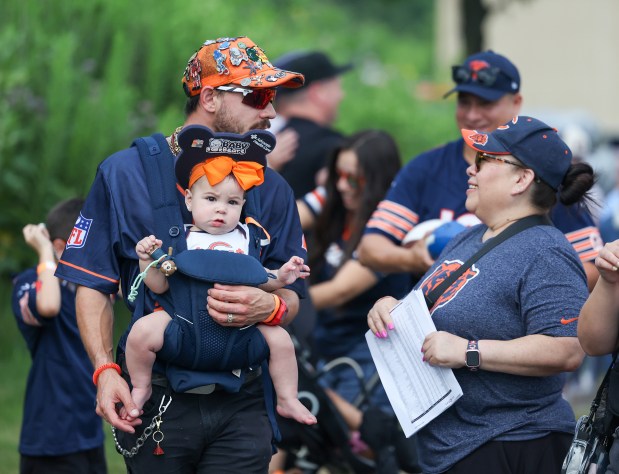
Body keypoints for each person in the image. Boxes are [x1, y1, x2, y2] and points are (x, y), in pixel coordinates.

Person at [55, 36, 309, 473]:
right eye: (258, 96)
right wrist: (105, 371)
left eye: (274, 97)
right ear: (209, 97)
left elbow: (293, 299)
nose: (271, 112)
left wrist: (270, 306)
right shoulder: (124, 173)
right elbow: (93, 283)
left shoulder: (272, 186)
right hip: (158, 395)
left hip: (244, 397)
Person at [367, 116, 592, 473]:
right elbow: (425, 310)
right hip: (451, 446)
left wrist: (468, 351)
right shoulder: (467, 237)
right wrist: (389, 307)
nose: (471, 167)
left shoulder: (546, 250)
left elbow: (566, 348)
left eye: (486, 159)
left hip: (514, 444)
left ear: (522, 178)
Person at [358, 50, 602, 291]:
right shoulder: (426, 167)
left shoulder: (541, 171)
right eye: (464, 102)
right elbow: (370, 248)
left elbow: (593, 268)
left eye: (486, 103)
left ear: (516, 102)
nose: (473, 115)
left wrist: (506, 277)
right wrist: (413, 259)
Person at [124, 130, 315, 426]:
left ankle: (288, 398)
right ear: (189, 200)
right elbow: (161, 286)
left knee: (282, 342)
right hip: (183, 318)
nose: (220, 209)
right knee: (140, 333)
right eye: (211, 198)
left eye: (232, 203)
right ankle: (140, 386)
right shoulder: (180, 239)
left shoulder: (248, 238)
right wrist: (146, 258)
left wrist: (283, 275)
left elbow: (261, 279)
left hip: (241, 326)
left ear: (243, 205)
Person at [273, 130, 417, 472]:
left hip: (369, 354)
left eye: (354, 177)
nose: (342, 185)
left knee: (355, 450)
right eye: (338, 174)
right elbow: (279, 220)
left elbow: (339, 291)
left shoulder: (390, 222)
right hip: (324, 345)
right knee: (310, 439)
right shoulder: (334, 199)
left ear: (377, 180)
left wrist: (280, 301)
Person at [11, 198, 107, 474]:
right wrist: (44, 253)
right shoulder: (30, 282)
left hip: (88, 432)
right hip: (49, 439)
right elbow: (49, 306)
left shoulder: (89, 288)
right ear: (60, 246)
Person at [268, 50, 352, 198]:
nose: (341, 95)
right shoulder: (334, 147)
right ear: (318, 92)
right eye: (337, 87)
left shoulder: (263, 146)